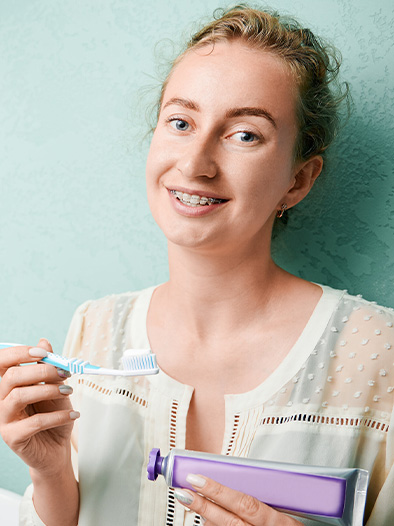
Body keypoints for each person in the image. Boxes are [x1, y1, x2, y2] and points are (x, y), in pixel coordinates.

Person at [0, 5, 393, 526]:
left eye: (245, 135)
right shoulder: (94, 328)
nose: (194, 164)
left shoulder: (377, 355)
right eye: (181, 122)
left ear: (298, 180)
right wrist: (51, 476)